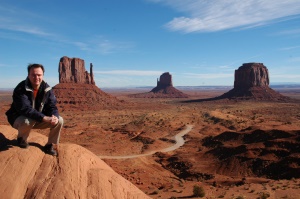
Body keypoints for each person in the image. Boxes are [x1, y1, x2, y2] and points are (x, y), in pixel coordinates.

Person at [5, 63, 63, 156]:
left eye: (39, 75)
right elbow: (25, 109)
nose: (36, 77)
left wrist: (54, 116)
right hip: (18, 119)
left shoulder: (47, 89)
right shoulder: (20, 88)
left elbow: (52, 106)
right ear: (28, 75)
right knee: (27, 120)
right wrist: (44, 118)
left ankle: (50, 145)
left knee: (59, 120)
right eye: (33, 75)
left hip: (37, 118)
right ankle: (22, 139)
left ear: (43, 75)